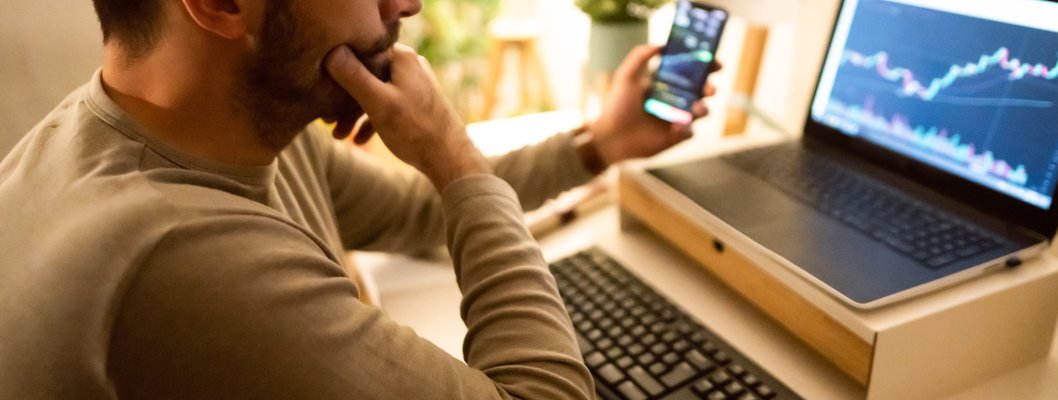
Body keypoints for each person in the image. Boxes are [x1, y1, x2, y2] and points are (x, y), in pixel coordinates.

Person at [0, 0, 715, 399]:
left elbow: (413, 212)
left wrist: (599, 145)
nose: (406, 3)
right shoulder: (175, 258)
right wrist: (455, 155)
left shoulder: (209, 128)